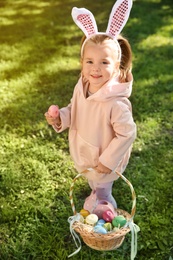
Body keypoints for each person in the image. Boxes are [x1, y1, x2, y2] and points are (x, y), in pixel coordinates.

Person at [45, 0, 136, 210]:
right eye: (89, 61)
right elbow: (75, 109)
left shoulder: (116, 102)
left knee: (103, 183)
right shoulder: (83, 85)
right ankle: (95, 191)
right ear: (82, 62)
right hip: (87, 148)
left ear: (116, 66)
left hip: (104, 154)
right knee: (92, 178)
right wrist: (61, 118)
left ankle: (105, 203)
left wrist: (107, 160)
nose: (95, 69)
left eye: (104, 62)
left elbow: (127, 133)